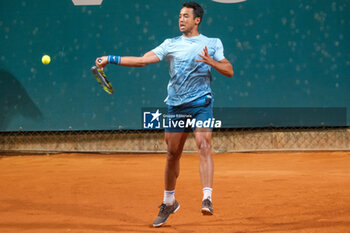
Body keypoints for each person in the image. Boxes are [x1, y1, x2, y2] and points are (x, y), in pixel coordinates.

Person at [95, 1, 233, 227]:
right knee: (172, 154)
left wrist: (211, 62)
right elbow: (142, 60)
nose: (181, 19)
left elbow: (229, 70)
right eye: (180, 16)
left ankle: (207, 198)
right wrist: (111, 58)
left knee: (204, 143)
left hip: (201, 104)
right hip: (177, 107)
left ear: (197, 20)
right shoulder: (170, 44)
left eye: (186, 16)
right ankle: (169, 201)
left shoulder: (212, 43)